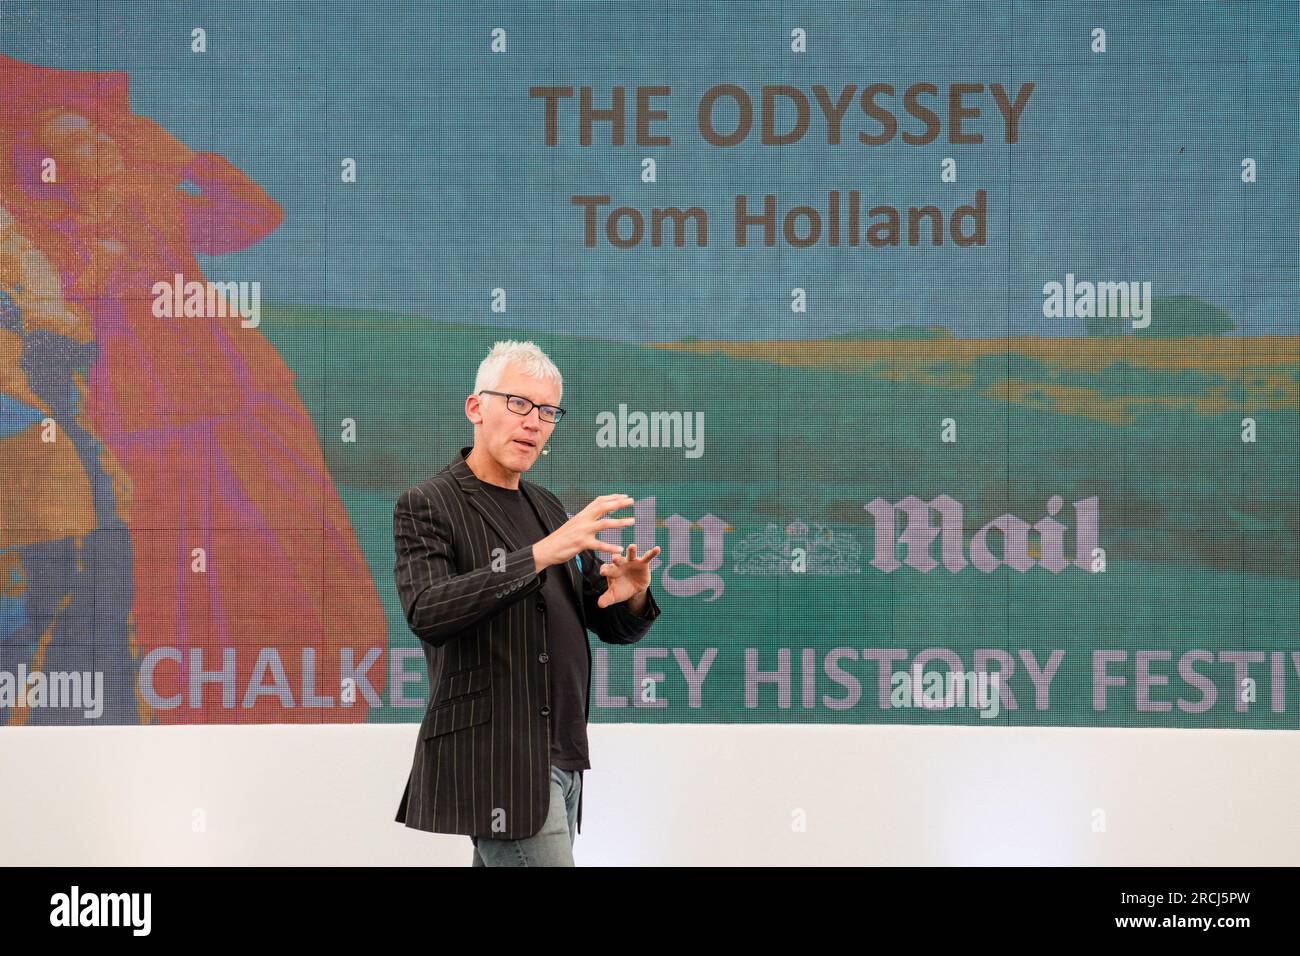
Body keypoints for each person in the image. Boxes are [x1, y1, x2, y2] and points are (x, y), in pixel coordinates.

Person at [393, 340, 662, 865]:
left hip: (563, 752)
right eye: (517, 403)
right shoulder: (428, 503)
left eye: (547, 411)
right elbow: (427, 611)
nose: (533, 423)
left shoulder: (547, 506)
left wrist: (631, 597)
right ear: (476, 407)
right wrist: (539, 554)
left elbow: (604, 625)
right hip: (501, 758)